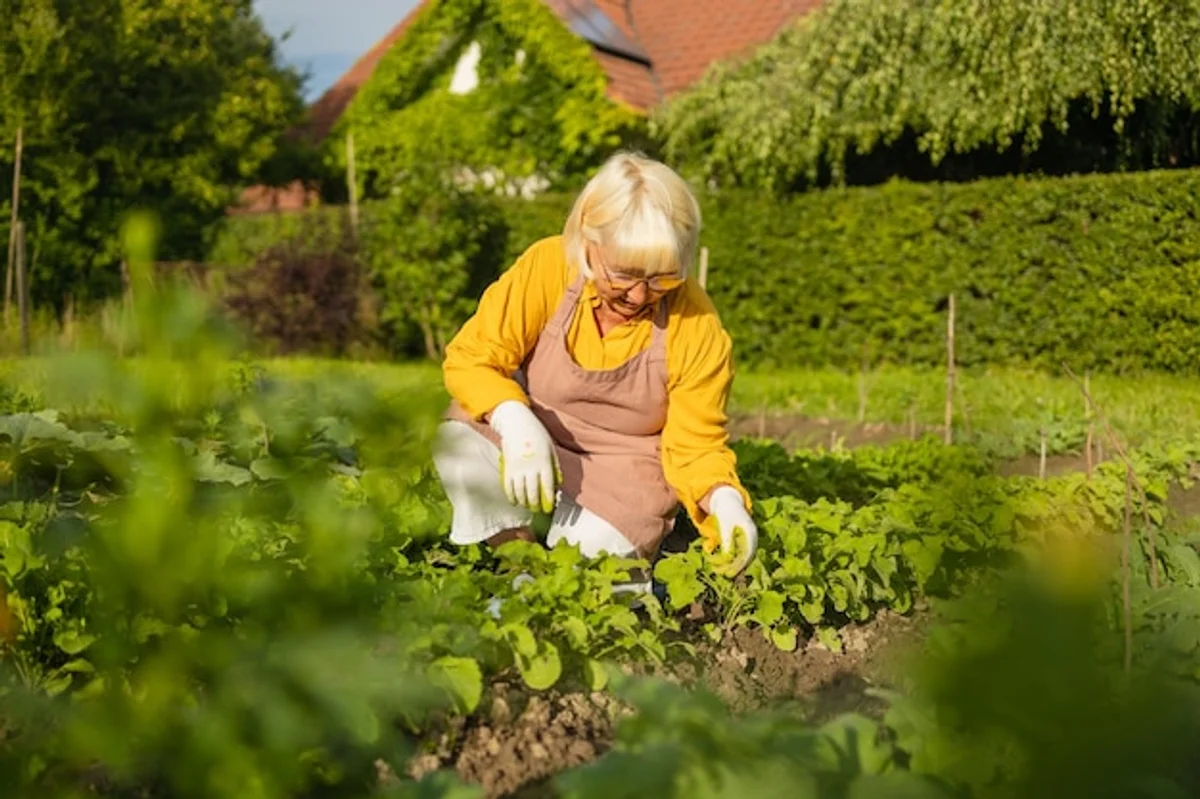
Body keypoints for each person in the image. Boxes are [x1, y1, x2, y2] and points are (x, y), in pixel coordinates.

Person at [432, 151, 758, 576]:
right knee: (457, 443)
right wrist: (512, 418)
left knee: (598, 564)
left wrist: (723, 500)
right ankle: (519, 566)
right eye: (624, 274)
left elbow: (695, 443)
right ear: (589, 242)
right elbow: (473, 357)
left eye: (662, 278)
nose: (640, 296)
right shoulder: (548, 267)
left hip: (627, 465)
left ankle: (567, 579)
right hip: (538, 431)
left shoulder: (695, 324)